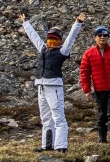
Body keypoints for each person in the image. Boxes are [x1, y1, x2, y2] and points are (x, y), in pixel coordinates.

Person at [19, 11, 84, 151]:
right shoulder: (43, 49)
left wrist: (77, 23)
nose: (51, 41)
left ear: (59, 40)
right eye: (50, 38)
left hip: (54, 86)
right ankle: (47, 145)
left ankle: (61, 146)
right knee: (46, 118)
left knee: (58, 116)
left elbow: (71, 38)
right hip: (41, 86)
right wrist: (26, 23)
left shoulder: (62, 51)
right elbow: (33, 37)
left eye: (54, 39)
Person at [79, 26, 110, 143]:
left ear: (108, 37)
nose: (102, 37)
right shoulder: (88, 53)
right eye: (99, 35)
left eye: (105, 35)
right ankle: (102, 139)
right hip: (98, 89)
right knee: (101, 114)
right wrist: (86, 91)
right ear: (94, 38)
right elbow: (84, 73)